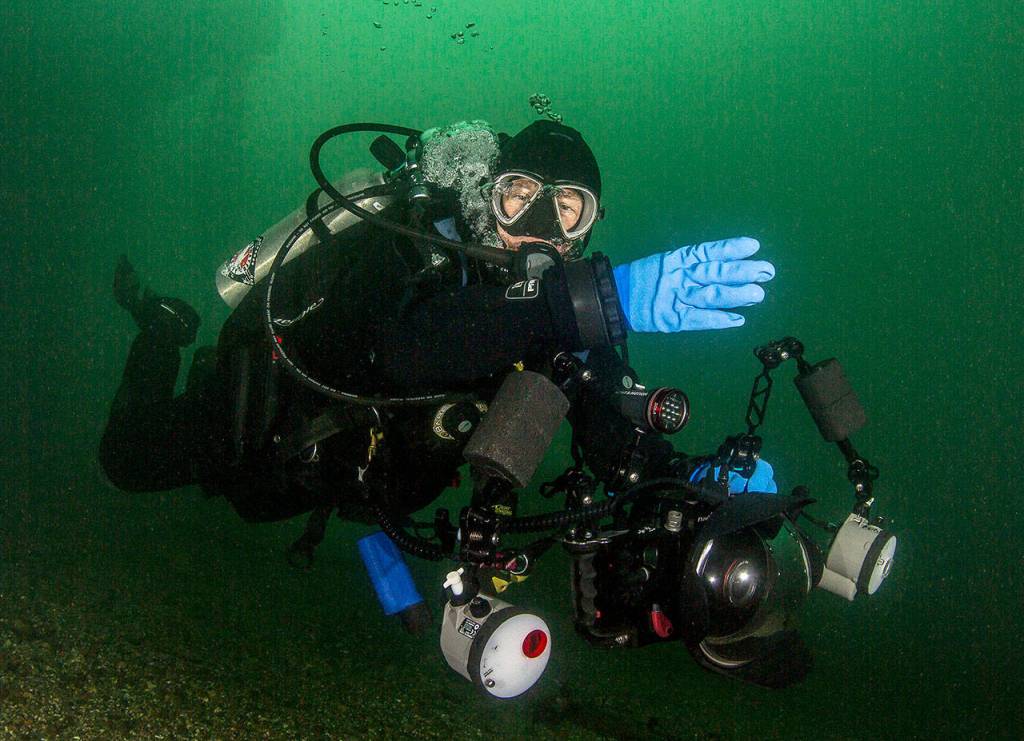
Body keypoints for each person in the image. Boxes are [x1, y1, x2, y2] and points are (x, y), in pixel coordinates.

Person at [100, 119, 796, 682]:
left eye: (569, 207)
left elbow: (610, 423)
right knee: (125, 461)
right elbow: (399, 349)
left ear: (590, 225)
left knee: (275, 502)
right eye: (521, 196)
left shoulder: (565, 316)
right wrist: (583, 305)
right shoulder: (416, 247)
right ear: (489, 194)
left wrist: (693, 479)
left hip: (348, 475)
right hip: (260, 414)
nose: (542, 225)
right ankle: (162, 329)